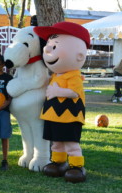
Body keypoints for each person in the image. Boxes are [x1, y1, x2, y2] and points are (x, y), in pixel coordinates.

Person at [34, 21, 89, 183]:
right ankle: (58, 162)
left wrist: (58, 92)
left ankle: (76, 166)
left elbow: (74, 93)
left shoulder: (74, 76)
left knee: (71, 143)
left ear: (79, 55)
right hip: (53, 116)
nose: (47, 49)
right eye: (49, 45)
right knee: (56, 142)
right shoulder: (56, 76)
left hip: (69, 116)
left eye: (55, 46)